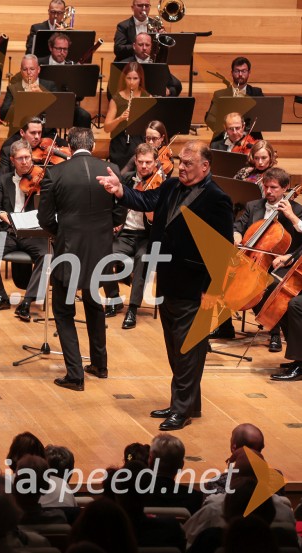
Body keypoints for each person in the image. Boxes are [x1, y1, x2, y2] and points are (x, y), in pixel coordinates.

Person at [98, 140, 234, 430]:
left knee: (188, 351)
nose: (181, 167)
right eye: (181, 162)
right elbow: (146, 201)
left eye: (187, 163)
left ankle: (181, 410)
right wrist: (121, 190)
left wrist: (212, 293)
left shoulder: (216, 198)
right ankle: (183, 404)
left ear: (205, 166)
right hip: (168, 281)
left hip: (195, 286)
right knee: (176, 348)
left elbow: (223, 252)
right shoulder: (171, 186)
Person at [38, 127, 123, 391]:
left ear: (71, 148)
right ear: (93, 144)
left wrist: (59, 234)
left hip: (69, 248)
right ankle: (100, 364)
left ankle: (75, 375)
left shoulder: (55, 172)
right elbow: (120, 209)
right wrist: (107, 229)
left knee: (63, 311)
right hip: (100, 248)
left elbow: (44, 218)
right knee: (94, 301)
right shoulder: (111, 169)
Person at [212, 167, 302, 349]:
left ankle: (274, 333)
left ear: (285, 188)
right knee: (220, 270)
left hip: (281, 262)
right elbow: (238, 226)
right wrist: (236, 236)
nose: (269, 191)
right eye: (266, 187)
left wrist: (289, 255)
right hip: (253, 257)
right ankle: (225, 326)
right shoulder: (254, 206)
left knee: (269, 284)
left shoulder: (297, 210)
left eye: (274, 188)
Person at [0, 139, 48, 322]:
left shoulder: (43, 178)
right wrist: (2, 215)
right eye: (20, 158)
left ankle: (28, 301)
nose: (25, 162)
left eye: (27, 157)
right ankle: (1, 296)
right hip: (10, 232)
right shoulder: (4, 179)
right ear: (12, 160)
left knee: (47, 255)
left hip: (33, 233)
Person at [102, 143, 159, 330]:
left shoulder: (161, 185)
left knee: (142, 259)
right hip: (125, 233)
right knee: (105, 253)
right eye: (141, 162)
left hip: (147, 236)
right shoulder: (126, 179)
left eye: (148, 162)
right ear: (135, 161)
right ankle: (114, 298)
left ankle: (133, 309)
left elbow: (160, 221)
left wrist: (151, 212)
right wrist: (115, 222)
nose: (144, 166)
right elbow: (112, 205)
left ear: (155, 163)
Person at [103, 61, 149, 169]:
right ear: (124, 78)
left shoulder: (146, 97)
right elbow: (106, 128)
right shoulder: (116, 99)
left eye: (135, 78)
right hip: (120, 140)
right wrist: (120, 118)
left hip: (139, 139)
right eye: (129, 78)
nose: (131, 82)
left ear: (140, 79)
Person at [117, 32, 182, 96]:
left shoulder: (158, 65)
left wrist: (169, 91)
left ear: (151, 46)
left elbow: (176, 86)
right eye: (140, 45)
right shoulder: (124, 64)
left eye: (147, 45)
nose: (144, 48)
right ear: (134, 46)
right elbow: (111, 91)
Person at [0, 55, 58, 123]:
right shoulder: (13, 88)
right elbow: (3, 115)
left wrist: (43, 96)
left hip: (45, 129)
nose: (28, 73)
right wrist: (23, 101)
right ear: (21, 71)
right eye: (25, 69)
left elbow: (58, 111)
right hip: (21, 129)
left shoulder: (50, 85)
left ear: (38, 69)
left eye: (32, 69)